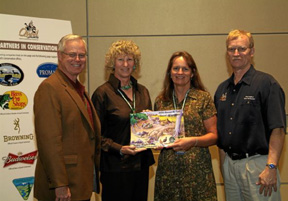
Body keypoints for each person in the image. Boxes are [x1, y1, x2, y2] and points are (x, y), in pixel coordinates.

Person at [214, 29, 286, 201]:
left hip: (259, 166)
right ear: (227, 53)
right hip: (230, 167)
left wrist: (271, 166)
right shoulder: (221, 90)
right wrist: (225, 169)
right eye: (232, 49)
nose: (236, 53)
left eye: (242, 49)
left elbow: (278, 129)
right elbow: (222, 137)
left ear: (252, 51)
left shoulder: (267, 84)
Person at [34, 34, 101, 201]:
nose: (77, 59)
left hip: (80, 181)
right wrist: (60, 184)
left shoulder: (78, 89)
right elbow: (50, 142)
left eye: (82, 55)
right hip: (64, 187)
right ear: (59, 55)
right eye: (72, 54)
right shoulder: (50, 88)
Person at [91, 40, 155, 201]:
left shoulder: (143, 92)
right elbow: (95, 136)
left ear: (135, 63)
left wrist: (151, 124)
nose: (125, 64)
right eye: (120, 59)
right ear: (112, 63)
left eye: (130, 59)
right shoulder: (102, 94)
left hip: (140, 166)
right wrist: (120, 148)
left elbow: (151, 128)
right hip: (115, 168)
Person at [154, 51, 218, 201]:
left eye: (185, 69)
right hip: (168, 174)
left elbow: (214, 136)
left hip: (198, 173)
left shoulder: (203, 98)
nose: (180, 72)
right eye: (176, 68)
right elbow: (158, 137)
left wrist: (192, 141)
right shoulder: (161, 101)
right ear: (169, 73)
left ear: (192, 73)